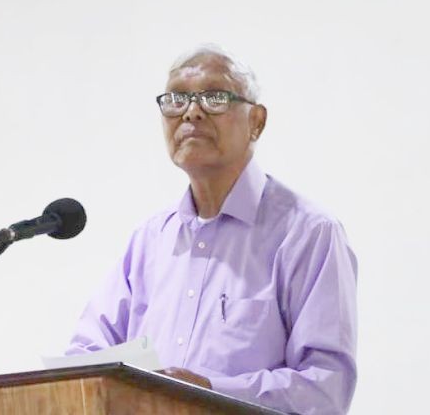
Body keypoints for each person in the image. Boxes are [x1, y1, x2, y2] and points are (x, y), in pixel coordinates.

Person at [67, 45, 358, 414]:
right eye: (176, 99)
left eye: (214, 97)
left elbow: (325, 390)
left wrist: (208, 391)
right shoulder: (150, 241)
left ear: (257, 121)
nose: (191, 112)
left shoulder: (307, 234)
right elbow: (85, 358)